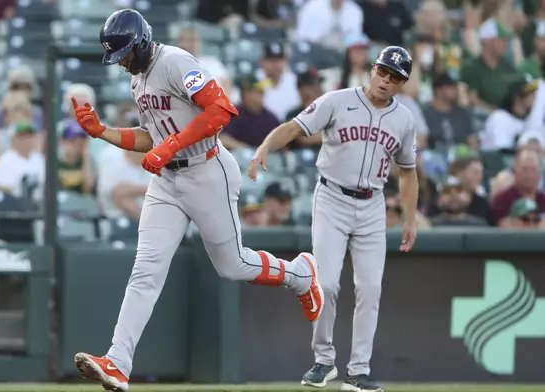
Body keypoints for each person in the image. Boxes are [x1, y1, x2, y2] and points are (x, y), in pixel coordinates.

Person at [70, 10, 322, 392]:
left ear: (140, 43)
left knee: (233, 266)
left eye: (123, 53)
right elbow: (149, 136)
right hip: (169, 179)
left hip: (207, 170)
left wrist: (168, 145)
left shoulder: (174, 61)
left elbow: (221, 110)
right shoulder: (138, 80)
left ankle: (301, 275)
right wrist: (102, 132)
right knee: (146, 269)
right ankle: (118, 362)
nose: (120, 62)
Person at [248, 46, 419, 392]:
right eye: (383, 72)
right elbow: (295, 127)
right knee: (325, 284)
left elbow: (408, 172)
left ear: (403, 84)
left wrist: (411, 219)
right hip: (332, 198)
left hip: (373, 205)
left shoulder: (405, 120)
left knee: (370, 288)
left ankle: (358, 370)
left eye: (395, 78)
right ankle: (323, 360)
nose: (386, 81)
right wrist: (266, 146)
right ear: (372, 70)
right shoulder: (338, 100)